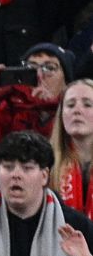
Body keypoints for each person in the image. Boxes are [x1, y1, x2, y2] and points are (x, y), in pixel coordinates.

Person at [0, 45, 70, 152]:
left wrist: (49, 109)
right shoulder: (2, 115)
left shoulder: (75, 115)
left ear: (67, 83)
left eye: (49, 68)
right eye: (30, 68)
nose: (39, 75)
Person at [50, 77, 93, 211]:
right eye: (70, 105)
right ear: (61, 115)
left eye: (87, 104)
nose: (77, 110)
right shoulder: (46, 163)